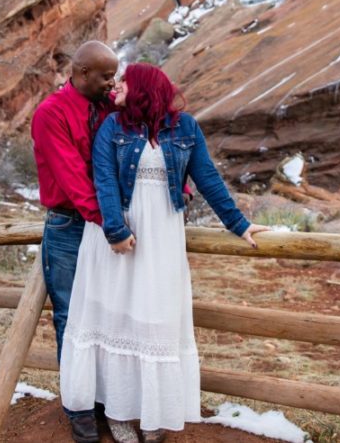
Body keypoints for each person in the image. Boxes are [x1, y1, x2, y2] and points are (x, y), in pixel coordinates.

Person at [59, 63, 269, 443]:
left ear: (143, 87)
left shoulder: (185, 128)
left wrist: (238, 224)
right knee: (115, 317)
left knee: (155, 315)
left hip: (163, 238)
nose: (116, 86)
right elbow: (103, 179)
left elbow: (206, 177)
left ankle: (153, 415)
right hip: (120, 237)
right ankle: (120, 414)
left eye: (124, 81)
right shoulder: (113, 127)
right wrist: (116, 231)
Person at [30, 40, 118, 443]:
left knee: (108, 315)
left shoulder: (106, 108)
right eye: (105, 76)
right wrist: (113, 224)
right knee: (70, 318)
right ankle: (79, 407)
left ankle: (105, 400)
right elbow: (74, 181)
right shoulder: (51, 113)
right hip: (70, 228)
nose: (111, 83)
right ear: (81, 73)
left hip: (104, 226)